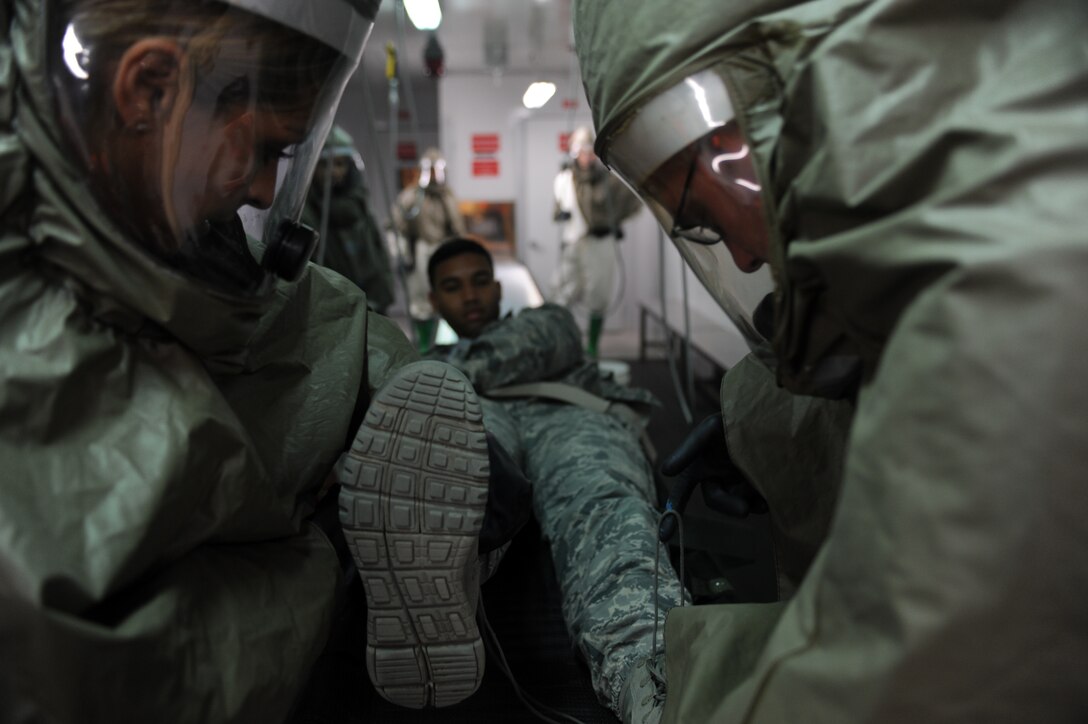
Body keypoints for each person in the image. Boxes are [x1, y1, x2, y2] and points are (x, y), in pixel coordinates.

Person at [0, 1, 524, 720]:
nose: (264, 192)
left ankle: (458, 520)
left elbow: (314, 318)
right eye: (267, 149)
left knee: (471, 448)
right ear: (146, 87)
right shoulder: (35, 306)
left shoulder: (162, 225)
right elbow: (88, 664)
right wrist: (336, 553)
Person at [574, 0, 1088, 722]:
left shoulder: (1023, 269)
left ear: (798, 84)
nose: (746, 256)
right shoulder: (1006, 164)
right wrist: (762, 429)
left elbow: (894, 679)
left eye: (705, 204)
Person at [424, 237, 687, 721]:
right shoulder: (425, 368)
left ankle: (654, 679)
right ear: (434, 301)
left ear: (499, 289)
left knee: (602, 508)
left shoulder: (542, 320)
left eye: (481, 281)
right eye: (454, 287)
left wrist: (437, 370)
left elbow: (541, 344)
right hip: (479, 416)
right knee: (460, 485)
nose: (472, 296)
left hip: (564, 416)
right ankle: (429, 598)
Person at [552, 126, 644, 358]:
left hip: (599, 243)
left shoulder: (607, 180)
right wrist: (562, 214)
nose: (585, 155)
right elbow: (557, 209)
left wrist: (613, 221)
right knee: (562, 290)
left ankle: (592, 347)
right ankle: (562, 341)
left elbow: (632, 202)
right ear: (574, 152)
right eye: (580, 150)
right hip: (573, 243)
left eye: (589, 151)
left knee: (599, 293)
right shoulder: (564, 179)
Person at [301, 124, 395, 314]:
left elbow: (377, 253)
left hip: (371, 303)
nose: (335, 172)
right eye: (325, 164)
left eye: (340, 164)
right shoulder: (305, 213)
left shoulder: (359, 206)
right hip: (329, 308)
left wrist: (383, 292)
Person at [392, 146, 466, 353]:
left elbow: (458, 228)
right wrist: (402, 254)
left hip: (444, 252)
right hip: (420, 254)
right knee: (421, 305)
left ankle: (446, 348)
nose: (434, 175)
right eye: (430, 170)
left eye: (438, 170)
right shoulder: (410, 197)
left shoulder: (448, 198)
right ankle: (423, 348)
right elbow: (396, 228)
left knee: (447, 302)